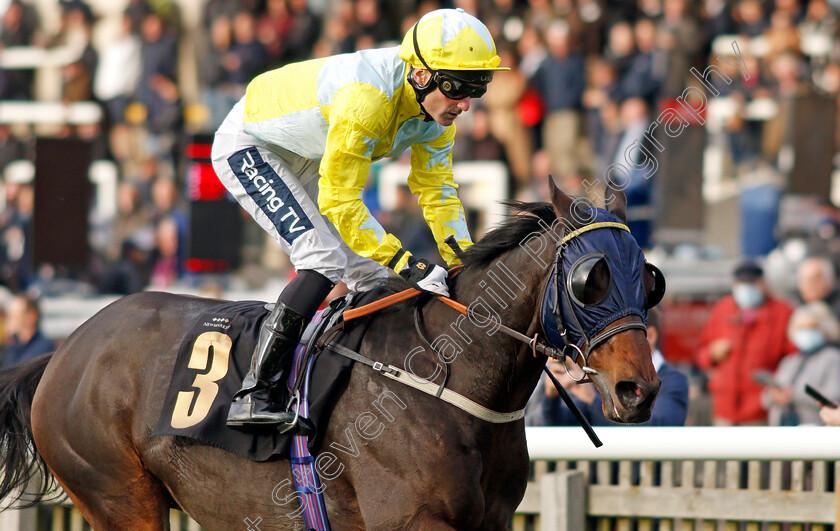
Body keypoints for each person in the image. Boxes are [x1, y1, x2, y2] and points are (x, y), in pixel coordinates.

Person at [211, 8, 505, 429]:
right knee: (323, 258)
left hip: (310, 151)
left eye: (478, 88)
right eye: (459, 88)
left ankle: (345, 384)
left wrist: (463, 261)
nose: (466, 104)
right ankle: (256, 392)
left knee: (372, 278)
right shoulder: (367, 99)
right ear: (421, 75)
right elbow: (340, 199)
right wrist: (405, 260)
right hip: (251, 145)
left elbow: (438, 191)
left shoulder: (438, 114)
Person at [542, 308, 689, 426]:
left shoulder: (674, 381)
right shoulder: (606, 377)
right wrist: (552, 397)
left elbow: (658, 428)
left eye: (626, 334)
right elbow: (561, 425)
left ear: (650, 336)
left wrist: (593, 401)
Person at [696, 260, 796, 425]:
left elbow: (793, 358)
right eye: (742, 283)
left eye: (752, 283)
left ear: (763, 284)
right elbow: (702, 353)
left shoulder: (782, 312)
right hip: (724, 408)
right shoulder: (723, 309)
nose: (746, 288)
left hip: (762, 410)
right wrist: (712, 353)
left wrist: (780, 385)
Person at [762, 302, 840, 425]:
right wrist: (774, 395)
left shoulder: (833, 358)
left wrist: (795, 394)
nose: (806, 332)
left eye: (812, 327)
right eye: (801, 328)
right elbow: (765, 398)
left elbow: (834, 398)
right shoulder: (790, 361)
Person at [1, 294, 56, 368]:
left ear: (31, 316)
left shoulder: (44, 348)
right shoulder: (12, 347)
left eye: (15, 316)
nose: (10, 321)